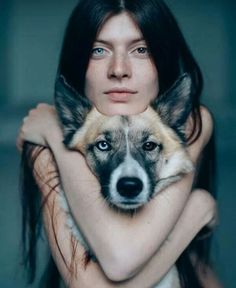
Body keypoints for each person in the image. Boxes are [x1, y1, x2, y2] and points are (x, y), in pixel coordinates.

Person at [17, 0, 222, 287]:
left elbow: (122, 262)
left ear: (161, 58)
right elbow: (114, 266)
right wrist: (195, 212)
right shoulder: (46, 147)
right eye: (98, 50)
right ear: (79, 61)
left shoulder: (189, 123)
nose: (119, 70)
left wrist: (54, 131)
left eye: (141, 49)